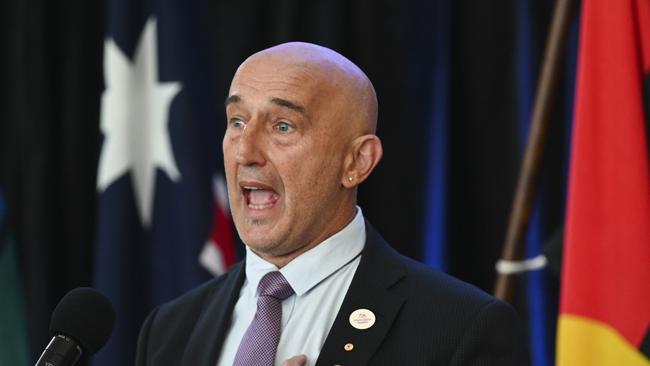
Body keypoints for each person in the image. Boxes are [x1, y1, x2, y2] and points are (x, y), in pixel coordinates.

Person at [135, 42, 529, 366]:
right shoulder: (170, 330)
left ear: (356, 162)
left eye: (282, 126)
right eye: (237, 121)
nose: (245, 152)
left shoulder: (459, 328)